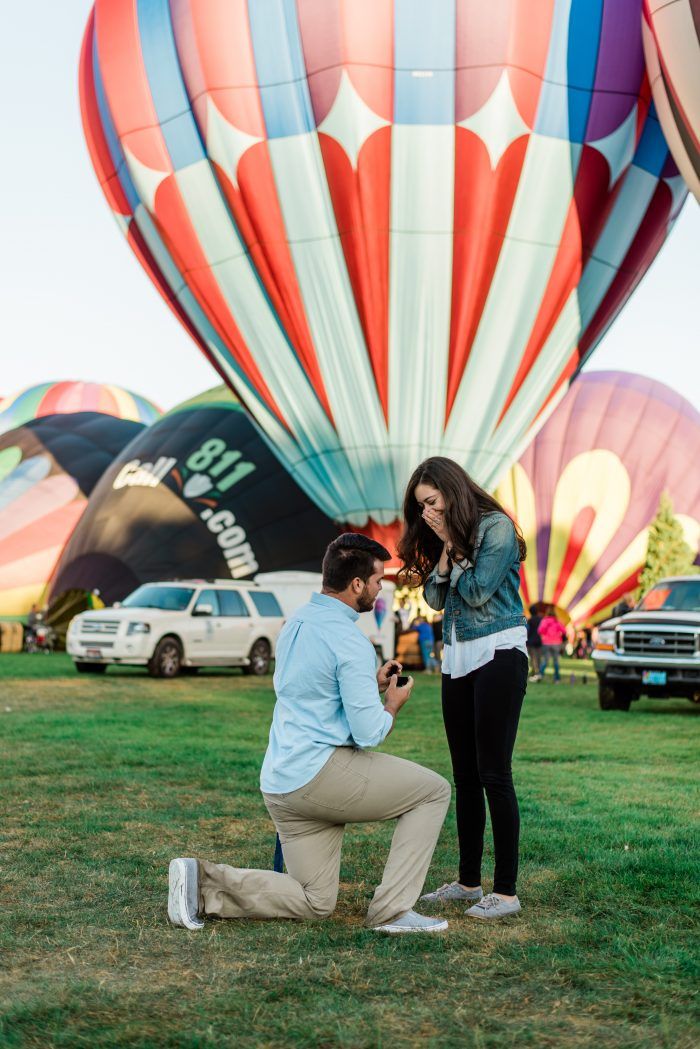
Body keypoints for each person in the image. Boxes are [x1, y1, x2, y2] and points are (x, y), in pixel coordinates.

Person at [168, 533, 451, 935]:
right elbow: (369, 733)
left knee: (315, 901)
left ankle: (201, 884)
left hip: (282, 780)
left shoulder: (296, 623)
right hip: (320, 775)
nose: (377, 588)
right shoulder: (350, 640)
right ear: (356, 585)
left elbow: (314, 694)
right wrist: (391, 705)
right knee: (433, 791)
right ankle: (392, 911)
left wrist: (369, 685)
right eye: (376, 581)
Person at [398, 457, 528, 921]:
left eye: (432, 501)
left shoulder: (495, 528)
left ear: (451, 491)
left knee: (494, 772)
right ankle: (469, 882)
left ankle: (507, 893)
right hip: (457, 657)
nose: (428, 512)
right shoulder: (445, 538)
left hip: (498, 651)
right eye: (422, 506)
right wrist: (442, 551)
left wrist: (452, 543)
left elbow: (475, 592)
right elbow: (435, 599)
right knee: (465, 775)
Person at [538, 606, 566, 681]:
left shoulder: (544, 620)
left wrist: (545, 634)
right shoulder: (557, 621)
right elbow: (564, 631)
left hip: (546, 642)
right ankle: (556, 678)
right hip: (556, 643)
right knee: (556, 661)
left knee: (545, 660)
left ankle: (540, 675)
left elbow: (540, 630)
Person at [526, 604, 544, 681]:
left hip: (531, 641)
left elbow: (527, 631)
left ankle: (534, 673)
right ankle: (538, 673)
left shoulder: (529, 620)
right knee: (539, 658)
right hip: (539, 641)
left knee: (533, 658)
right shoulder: (541, 619)